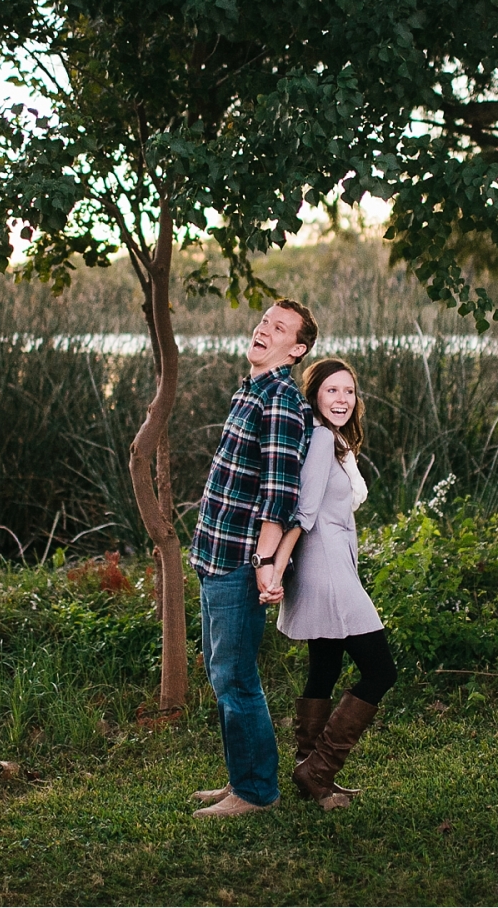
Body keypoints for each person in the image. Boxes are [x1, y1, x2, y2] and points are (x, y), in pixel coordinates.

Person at [188, 298, 318, 819]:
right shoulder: (252, 390)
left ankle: (256, 793)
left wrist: (267, 565)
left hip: (241, 562)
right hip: (214, 555)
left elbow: (278, 494)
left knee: (236, 678)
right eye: (265, 320)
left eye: (280, 327)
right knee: (224, 675)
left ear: (297, 350)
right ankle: (242, 779)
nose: (264, 329)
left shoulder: (282, 401)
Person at [264, 358, 395, 811]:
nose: (342, 399)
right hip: (326, 571)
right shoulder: (321, 439)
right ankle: (318, 772)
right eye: (332, 391)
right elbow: (304, 512)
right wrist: (275, 568)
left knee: (325, 664)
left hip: (335, 564)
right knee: (381, 670)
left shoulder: (334, 439)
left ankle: (308, 769)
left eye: (349, 391)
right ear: (315, 395)